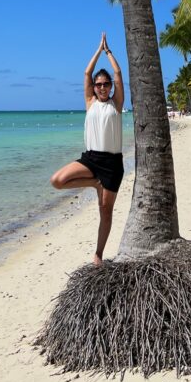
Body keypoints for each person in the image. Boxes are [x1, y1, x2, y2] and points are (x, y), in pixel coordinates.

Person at [50, 32, 124, 266]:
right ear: (94, 87)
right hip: (91, 159)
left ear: (110, 87)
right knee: (57, 180)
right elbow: (85, 73)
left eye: (106, 84)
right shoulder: (90, 102)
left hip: (112, 164)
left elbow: (119, 74)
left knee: (106, 211)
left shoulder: (116, 104)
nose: (102, 87)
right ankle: (94, 182)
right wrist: (97, 50)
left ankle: (98, 254)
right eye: (98, 84)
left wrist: (109, 53)